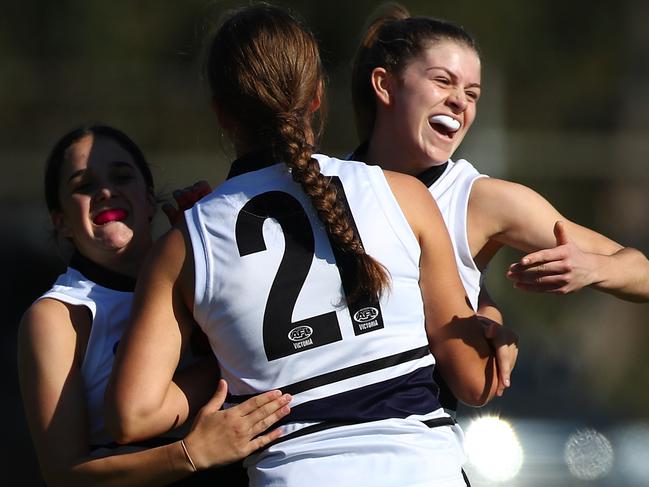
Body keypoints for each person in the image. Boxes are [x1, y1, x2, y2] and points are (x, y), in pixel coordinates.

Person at [105, 4, 518, 487]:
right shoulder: (404, 196)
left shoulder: (184, 247)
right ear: (318, 96)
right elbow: (474, 382)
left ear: (221, 112)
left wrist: (231, 370)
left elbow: (133, 416)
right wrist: (490, 320)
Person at [17, 124, 292, 487]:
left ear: (149, 200)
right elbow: (63, 475)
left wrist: (223, 260)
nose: (104, 191)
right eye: (83, 186)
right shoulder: (57, 317)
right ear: (61, 222)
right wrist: (192, 454)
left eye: (121, 177)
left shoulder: (197, 267)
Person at [350, 3, 649, 315]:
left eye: (472, 93)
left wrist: (592, 268)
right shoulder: (324, 184)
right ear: (385, 85)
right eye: (442, 81)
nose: (459, 101)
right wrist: (485, 305)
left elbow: (642, 272)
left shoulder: (478, 199)